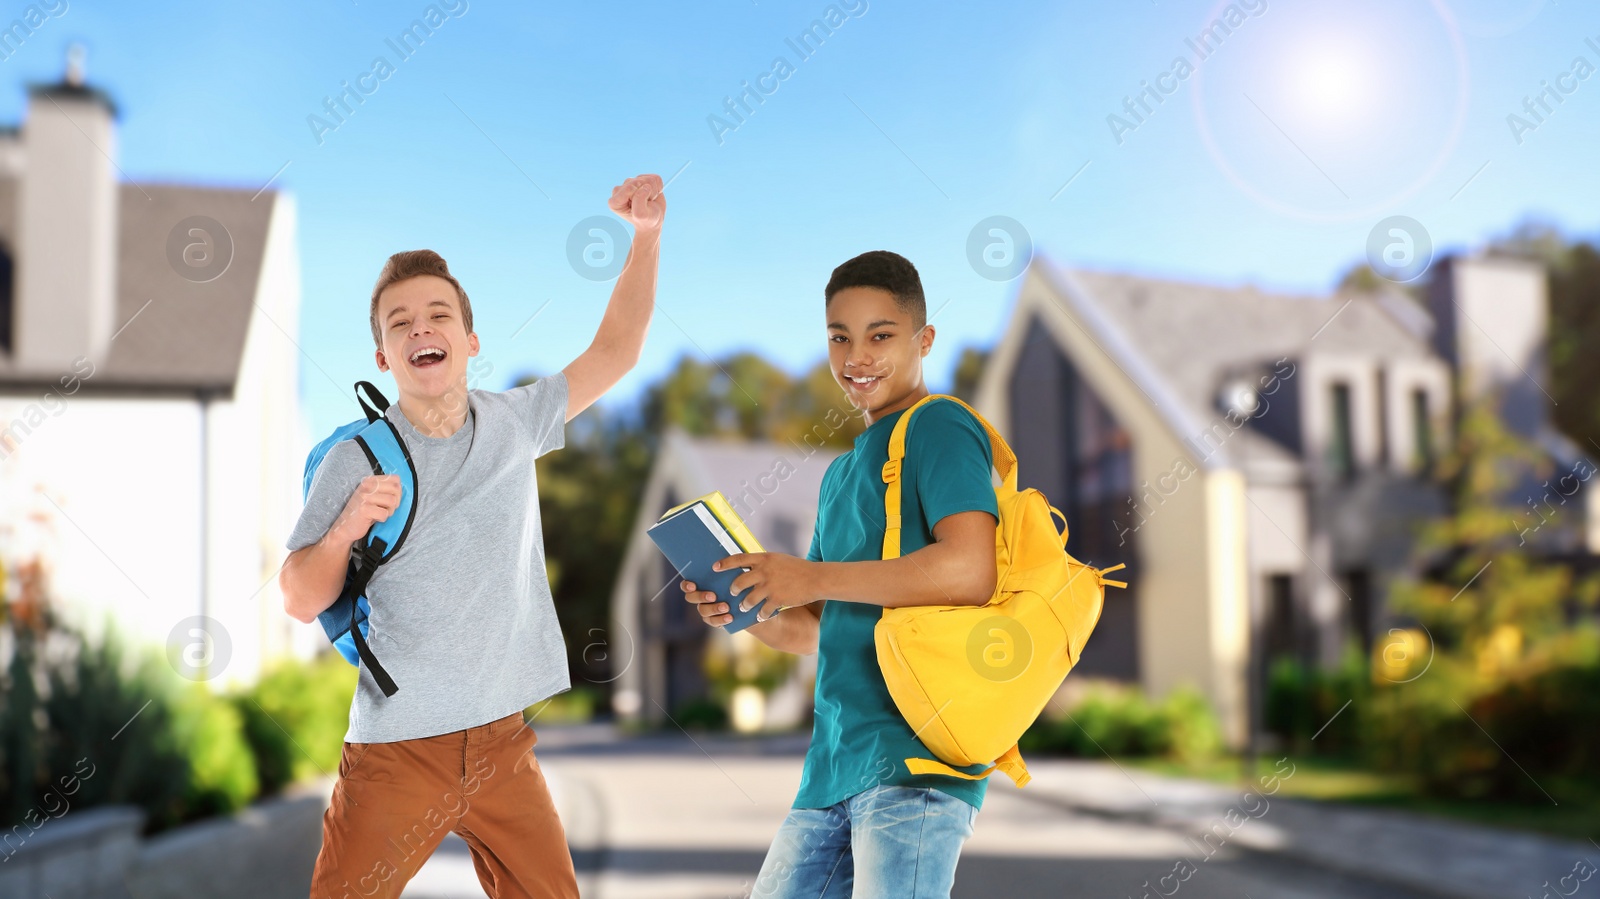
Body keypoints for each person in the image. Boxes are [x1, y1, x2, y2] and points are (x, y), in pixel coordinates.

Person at [281, 174, 665, 898]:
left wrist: (645, 237)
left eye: (437, 314)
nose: (420, 327)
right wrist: (345, 528)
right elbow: (299, 597)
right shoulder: (355, 459)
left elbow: (616, 350)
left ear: (469, 339)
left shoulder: (516, 422)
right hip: (396, 748)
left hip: (500, 744)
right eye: (400, 323)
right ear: (383, 358)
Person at [681, 250, 1000, 898]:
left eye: (881, 334)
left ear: (924, 339)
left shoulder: (940, 426)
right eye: (839, 336)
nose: (858, 354)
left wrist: (812, 577)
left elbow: (971, 569)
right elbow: (817, 633)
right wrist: (749, 607)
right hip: (831, 767)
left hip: (916, 760)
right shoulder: (840, 475)